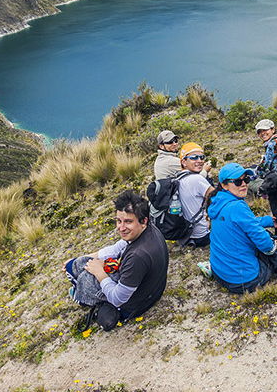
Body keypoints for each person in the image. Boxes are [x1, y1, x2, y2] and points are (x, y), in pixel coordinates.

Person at [64, 190, 169, 331]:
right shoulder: (148, 229)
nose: (121, 227)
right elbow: (117, 248)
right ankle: (80, 284)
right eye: (118, 221)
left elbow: (118, 299)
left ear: (143, 221)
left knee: (83, 276)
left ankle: (81, 295)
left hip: (132, 305)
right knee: (75, 264)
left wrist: (99, 273)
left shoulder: (138, 256)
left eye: (128, 222)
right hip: (153, 290)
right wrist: (87, 257)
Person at [204, 162, 277, 293]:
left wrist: (266, 220)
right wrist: (275, 244)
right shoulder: (237, 207)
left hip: (219, 273)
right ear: (224, 185)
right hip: (244, 281)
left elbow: (242, 223)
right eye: (237, 182)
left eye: (246, 179)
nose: (244, 184)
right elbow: (266, 246)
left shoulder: (218, 202)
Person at [176, 142, 215, 247]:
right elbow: (218, 198)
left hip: (186, 235)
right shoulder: (197, 179)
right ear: (184, 162)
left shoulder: (177, 178)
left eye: (202, 157)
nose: (200, 161)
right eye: (194, 158)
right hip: (202, 235)